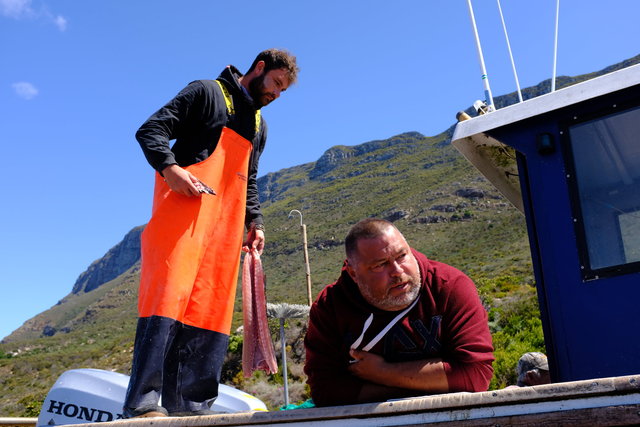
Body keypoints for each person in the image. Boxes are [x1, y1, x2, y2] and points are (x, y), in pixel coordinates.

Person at [123, 49, 299, 418]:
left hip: (226, 226)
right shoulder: (206, 92)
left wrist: (256, 222)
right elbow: (151, 130)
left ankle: (193, 407)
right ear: (260, 68)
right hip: (181, 214)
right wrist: (170, 168)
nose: (277, 95)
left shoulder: (258, 124)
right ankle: (144, 405)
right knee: (166, 302)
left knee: (211, 311)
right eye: (276, 84)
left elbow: (248, 178)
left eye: (284, 91)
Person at [304, 218, 494, 406]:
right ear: (354, 273)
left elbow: (476, 375)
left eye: (402, 256)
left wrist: (383, 372)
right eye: (380, 265)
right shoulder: (330, 307)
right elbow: (325, 391)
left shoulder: (449, 286)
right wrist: (432, 383)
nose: (397, 271)